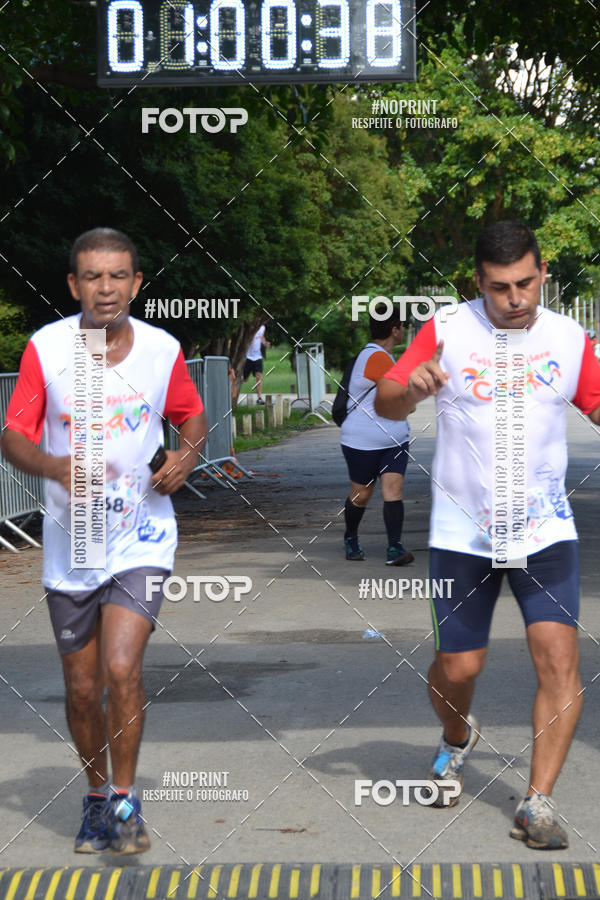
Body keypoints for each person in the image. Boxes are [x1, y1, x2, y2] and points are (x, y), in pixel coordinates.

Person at [375, 220, 600, 850]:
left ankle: (538, 802)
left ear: (543, 272)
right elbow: (388, 396)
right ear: (478, 281)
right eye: (500, 287)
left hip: (546, 531)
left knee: (559, 661)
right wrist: (410, 387)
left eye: (526, 283)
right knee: (458, 663)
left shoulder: (568, 337)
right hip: (461, 534)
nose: (515, 298)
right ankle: (455, 737)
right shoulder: (445, 330)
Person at [1, 228, 207, 855]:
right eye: (93, 276)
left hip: (141, 536)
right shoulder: (47, 349)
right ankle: (95, 796)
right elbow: (12, 434)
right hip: (73, 543)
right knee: (83, 688)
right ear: (74, 285)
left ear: (136, 283)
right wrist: (50, 466)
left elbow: (191, 413)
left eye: (118, 276)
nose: (106, 288)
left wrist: (187, 454)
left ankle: (123, 799)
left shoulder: (160, 348)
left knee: (122, 668)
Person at [341, 305, 414, 565]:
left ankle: (395, 548)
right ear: (395, 330)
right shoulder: (376, 358)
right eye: (402, 326)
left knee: (393, 489)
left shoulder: (385, 358)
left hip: (394, 440)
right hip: (362, 442)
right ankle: (350, 537)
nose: (403, 331)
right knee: (362, 495)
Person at [243, 324, 270, 403]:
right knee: (245, 379)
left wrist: (265, 343)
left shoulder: (262, 327)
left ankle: (259, 398)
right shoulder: (249, 326)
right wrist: (249, 340)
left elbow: (262, 337)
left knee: (259, 378)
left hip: (258, 357)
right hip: (248, 357)